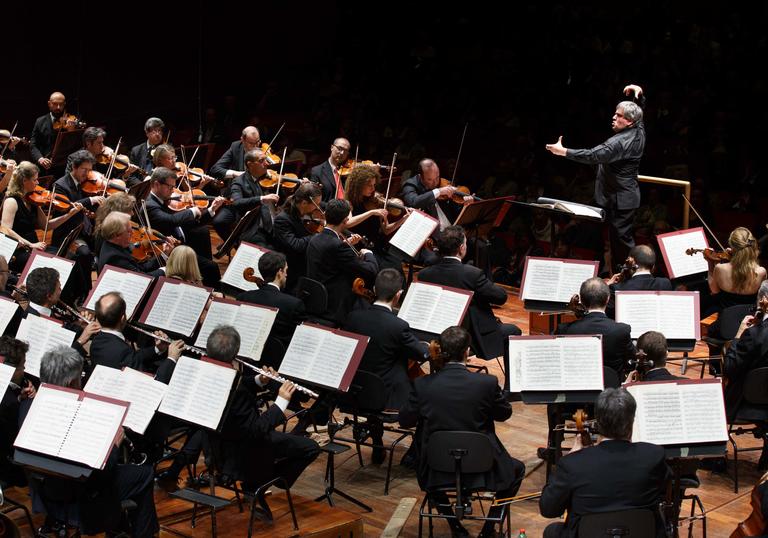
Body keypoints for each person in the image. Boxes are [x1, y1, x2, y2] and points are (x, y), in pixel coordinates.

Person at [18, 345, 158, 537]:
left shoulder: (27, 406)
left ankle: (121, 528)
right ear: (69, 383)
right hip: (81, 499)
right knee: (144, 474)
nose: (82, 381)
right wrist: (115, 445)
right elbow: (102, 472)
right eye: (80, 377)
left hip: (46, 493)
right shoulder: (78, 415)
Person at [399, 326, 525, 538]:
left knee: (429, 472)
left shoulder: (423, 385)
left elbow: (405, 420)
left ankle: (456, 528)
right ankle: (487, 530)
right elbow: (504, 414)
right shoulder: (486, 383)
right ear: (467, 352)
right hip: (483, 467)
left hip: (436, 467)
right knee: (517, 470)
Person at [208, 326, 320, 490]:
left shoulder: (209, 373)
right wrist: (281, 402)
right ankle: (263, 481)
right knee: (311, 448)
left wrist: (260, 380)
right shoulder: (237, 392)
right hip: (243, 448)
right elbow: (256, 430)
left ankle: (257, 480)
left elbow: (239, 384)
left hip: (218, 444)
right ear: (236, 354)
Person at [546, 84, 646, 264]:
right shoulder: (639, 129)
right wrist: (638, 97)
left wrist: (564, 152)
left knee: (622, 242)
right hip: (612, 195)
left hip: (620, 199)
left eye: (619, 116)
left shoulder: (619, 143)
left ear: (629, 121)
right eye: (615, 113)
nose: (613, 117)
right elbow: (639, 114)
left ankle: (636, 274)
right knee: (605, 236)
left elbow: (592, 155)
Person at [343, 268, 428, 463]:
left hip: (355, 392)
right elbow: (421, 354)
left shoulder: (353, 317)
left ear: (373, 288)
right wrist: (424, 346)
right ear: (399, 294)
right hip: (389, 399)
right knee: (430, 398)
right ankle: (414, 455)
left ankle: (377, 443)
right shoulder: (398, 326)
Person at [417, 226, 521, 369]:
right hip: (467, 335)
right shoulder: (472, 274)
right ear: (461, 248)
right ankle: (510, 388)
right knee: (513, 331)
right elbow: (500, 297)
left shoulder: (424, 274)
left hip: (432, 334)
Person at [144, 167, 224, 287]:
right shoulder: (150, 204)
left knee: (203, 235)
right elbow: (171, 221)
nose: (173, 191)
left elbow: (184, 222)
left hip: (182, 241)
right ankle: (214, 294)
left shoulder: (165, 200)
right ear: (156, 184)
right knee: (210, 267)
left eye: (174, 187)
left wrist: (211, 210)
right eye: (170, 187)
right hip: (169, 249)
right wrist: (192, 211)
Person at [0, 161, 85, 272]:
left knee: (70, 260)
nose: (38, 182)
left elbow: (47, 225)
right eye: (34, 179)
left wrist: (70, 213)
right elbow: (6, 230)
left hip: (36, 246)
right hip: (20, 250)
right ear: (24, 180)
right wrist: (31, 245)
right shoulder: (11, 201)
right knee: (55, 266)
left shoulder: (32, 200)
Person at [306, 199, 379, 324]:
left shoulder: (315, 239)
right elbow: (370, 270)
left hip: (314, 296)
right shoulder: (338, 246)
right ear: (345, 220)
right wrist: (369, 254)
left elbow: (329, 255)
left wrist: (346, 244)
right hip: (334, 303)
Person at [51, 149, 104, 302]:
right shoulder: (60, 185)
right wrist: (90, 201)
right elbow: (67, 207)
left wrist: (91, 213)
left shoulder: (85, 184)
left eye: (89, 170)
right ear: (74, 167)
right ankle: (84, 292)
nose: (87, 174)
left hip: (84, 229)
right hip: (68, 233)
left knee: (105, 241)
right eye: (84, 170)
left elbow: (84, 209)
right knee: (84, 253)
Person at [556, 277, 634, 377]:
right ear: (607, 299)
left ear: (582, 301)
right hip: (612, 389)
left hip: (578, 386)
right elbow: (631, 361)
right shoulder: (621, 330)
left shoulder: (565, 330)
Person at [90, 291, 181, 372]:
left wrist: (157, 349)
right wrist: (171, 358)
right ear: (123, 318)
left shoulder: (97, 341)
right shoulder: (123, 350)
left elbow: (133, 358)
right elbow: (153, 382)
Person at [236, 251, 306, 356]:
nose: (286, 274)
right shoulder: (294, 304)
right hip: (278, 359)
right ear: (279, 272)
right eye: (285, 270)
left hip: (248, 354)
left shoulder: (243, 297)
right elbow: (299, 341)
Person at [344, 164, 410, 272]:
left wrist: (403, 219)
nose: (373, 189)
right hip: (361, 248)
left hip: (377, 247)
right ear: (359, 185)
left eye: (374, 185)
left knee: (396, 266)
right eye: (369, 185)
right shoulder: (349, 203)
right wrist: (371, 212)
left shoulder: (374, 202)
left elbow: (386, 229)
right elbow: (348, 223)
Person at [211, 148, 280, 246]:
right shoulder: (239, 182)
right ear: (250, 164)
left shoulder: (262, 178)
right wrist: (262, 198)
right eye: (261, 161)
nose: (267, 164)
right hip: (254, 230)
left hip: (270, 227)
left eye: (266, 160)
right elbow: (237, 202)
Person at [723, 281, 768, 428]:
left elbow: (729, 367)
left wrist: (738, 335)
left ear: (763, 300)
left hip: (750, 401)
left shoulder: (754, 334)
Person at [272, 182, 323, 291]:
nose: (318, 208)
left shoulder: (305, 212)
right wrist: (317, 234)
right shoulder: (282, 220)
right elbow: (295, 245)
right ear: (304, 203)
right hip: (292, 271)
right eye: (316, 204)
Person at [0, 336, 34, 486]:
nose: (24, 370)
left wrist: (19, 398)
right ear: (12, 369)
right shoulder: (9, 403)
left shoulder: (9, 397)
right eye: (22, 366)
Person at [97, 211, 167, 276]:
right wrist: (164, 270)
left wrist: (164, 255)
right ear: (116, 235)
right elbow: (141, 278)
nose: (132, 233)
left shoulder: (116, 246)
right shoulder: (114, 257)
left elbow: (140, 268)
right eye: (128, 231)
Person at [29, 91, 68, 172]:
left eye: (61, 104)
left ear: (64, 104)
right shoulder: (40, 121)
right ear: (49, 103)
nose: (58, 107)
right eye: (55, 104)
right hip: (46, 166)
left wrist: (71, 130)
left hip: (65, 167)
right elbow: (33, 144)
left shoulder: (70, 121)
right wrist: (40, 159)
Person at [310, 137, 350, 202]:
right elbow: (314, 200)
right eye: (339, 148)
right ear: (332, 147)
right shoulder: (317, 171)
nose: (342, 153)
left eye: (345, 151)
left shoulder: (348, 172)